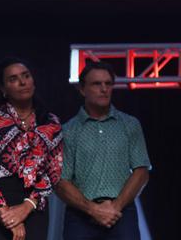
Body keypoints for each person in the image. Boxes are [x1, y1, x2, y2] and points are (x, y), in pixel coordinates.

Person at [55, 62, 150, 240]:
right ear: (82, 90)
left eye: (108, 83)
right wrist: (93, 209)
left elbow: (141, 171)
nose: (104, 89)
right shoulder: (68, 131)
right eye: (97, 84)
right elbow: (61, 181)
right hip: (80, 215)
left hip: (121, 213)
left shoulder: (129, 124)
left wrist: (115, 207)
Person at [0, 58, 63, 240]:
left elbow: (53, 171)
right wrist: (7, 214)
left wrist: (27, 207)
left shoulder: (50, 122)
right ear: (3, 89)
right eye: (13, 79)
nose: (22, 82)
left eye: (26, 76)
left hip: (34, 206)